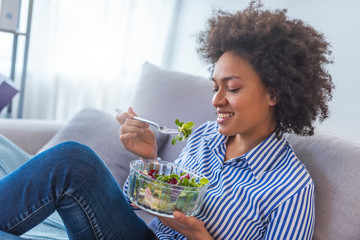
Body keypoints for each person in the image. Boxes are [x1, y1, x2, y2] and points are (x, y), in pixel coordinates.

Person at [0, 1, 334, 239]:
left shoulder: (291, 189)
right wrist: (150, 162)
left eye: (231, 88)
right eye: (215, 87)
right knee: (74, 159)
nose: (216, 100)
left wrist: (200, 238)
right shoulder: (204, 137)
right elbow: (141, 204)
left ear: (274, 92)